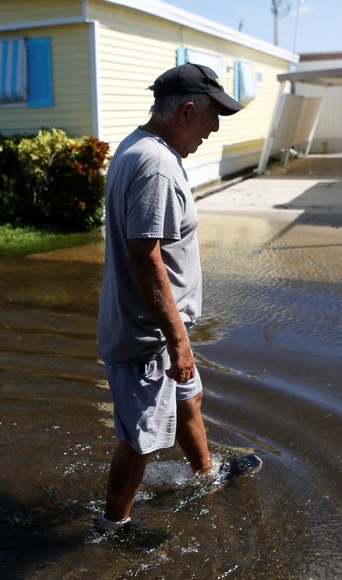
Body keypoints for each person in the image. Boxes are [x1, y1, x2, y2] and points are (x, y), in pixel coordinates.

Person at [96, 63, 259, 532]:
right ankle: (113, 527)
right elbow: (144, 256)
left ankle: (207, 475)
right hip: (149, 336)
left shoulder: (139, 146)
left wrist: (180, 337)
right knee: (141, 439)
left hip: (164, 330)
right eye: (213, 117)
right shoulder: (158, 167)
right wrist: (177, 342)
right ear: (188, 111)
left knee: (190, 400)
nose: (214, 129)